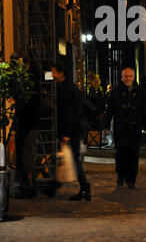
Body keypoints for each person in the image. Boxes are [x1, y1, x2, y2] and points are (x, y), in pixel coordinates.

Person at [50, 61, 91, 201]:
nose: (52, 74)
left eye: (54, 71)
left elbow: (68, 112)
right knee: (71, 158)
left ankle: (85, 187)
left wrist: (66, 133)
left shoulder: (66, 89)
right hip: (75, 128)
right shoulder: (69, 87)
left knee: (74, 159)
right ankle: (57, 185)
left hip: (72, 130)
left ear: (61, 73)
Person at [104, 67, 146, 188]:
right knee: (121, 153)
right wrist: (106, 125)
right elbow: (110, 110)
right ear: (122, 77)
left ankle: (131, 179)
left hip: (135, 127)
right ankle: (120, 175)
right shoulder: (116, 92)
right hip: (121, 127)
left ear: (134, 77)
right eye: (126, 76)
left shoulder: (140, 92)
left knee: (134, 154)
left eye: (130, 76)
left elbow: (145, 109)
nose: (128, 78)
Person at [11, 52, 41, 199]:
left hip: (29, 123)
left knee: (27, 156)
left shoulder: (31, 79)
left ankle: (30, 186)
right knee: (22, 156)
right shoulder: (24, 78)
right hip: (24, 123)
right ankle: (25, 184)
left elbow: (29, 101)